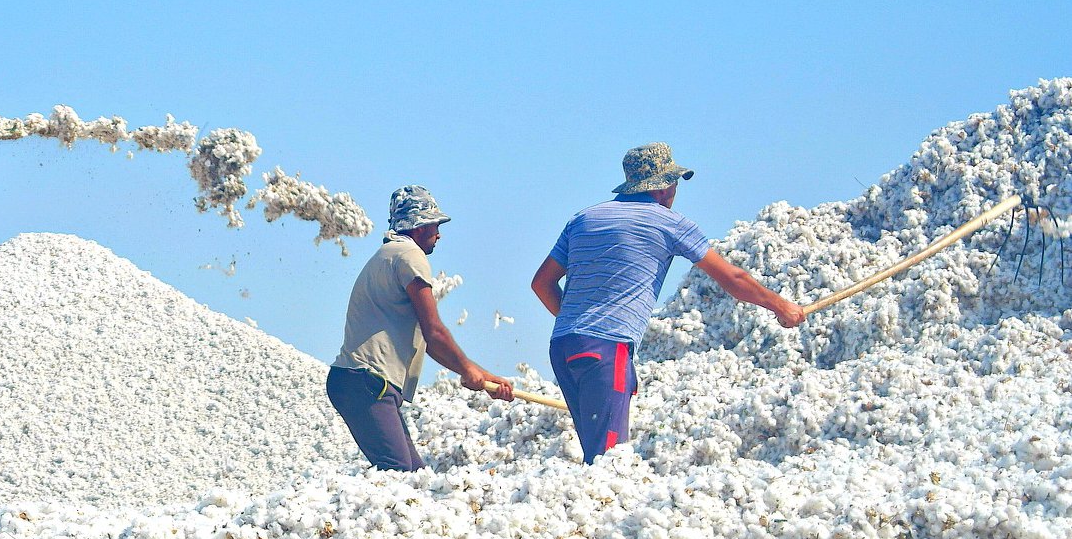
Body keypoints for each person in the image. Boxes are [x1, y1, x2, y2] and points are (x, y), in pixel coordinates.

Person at [530, 143, 806, 464]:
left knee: (596, 451)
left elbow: (541, 283)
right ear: (664, 186)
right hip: (607, 349)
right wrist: (780, 306)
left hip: (564, 346)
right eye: (675, 182)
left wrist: (576, 323)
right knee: (609, 461)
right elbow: (734, 278)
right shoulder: (668, 222)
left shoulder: (583, 219)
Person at [328, 185, 515, 471]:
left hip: (361, 382)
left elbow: (431, 344)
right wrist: (469, 372)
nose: (438, 233)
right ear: (418, 226)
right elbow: (434, 332)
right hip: (366, 381)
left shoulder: (389, 254)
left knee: (416, 475)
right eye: (434, 225)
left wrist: (483, 376)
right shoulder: (409, 255)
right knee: (399, 474)